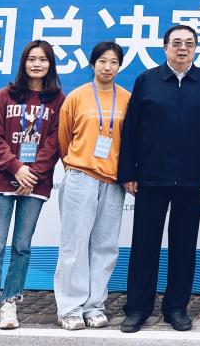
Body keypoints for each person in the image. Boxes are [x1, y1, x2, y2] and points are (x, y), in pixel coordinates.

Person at [117, 24, 200, 334]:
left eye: (189, 43)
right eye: (176, 43)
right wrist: (129, 172)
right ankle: (138, 308)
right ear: (165, 48)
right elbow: (131, 129)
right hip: (151, 176)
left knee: (184, 246)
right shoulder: (147, 80)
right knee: (144, 245)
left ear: (196, 48)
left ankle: (176, 307)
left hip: (191, 178)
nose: (182, 48)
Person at [0, 40, 64, 333]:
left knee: (22, 247)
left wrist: (32, 174)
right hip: (1, 179)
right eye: (31, 59)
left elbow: (54, 143)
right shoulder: (4, 96)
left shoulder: (57, 100)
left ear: (50, 65)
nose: (37, 64)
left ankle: (10, 302)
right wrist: (17, 168)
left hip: (34, 183)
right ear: (23, 63)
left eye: (43, 59)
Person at [54, 41, 131, 331]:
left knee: (105, 246)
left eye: (114, 62)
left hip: (112, 180)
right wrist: (76, 164)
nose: (107, 67)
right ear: (92, 64)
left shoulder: (127, 98)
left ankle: (94, 305)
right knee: (74, 244)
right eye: (102, 61)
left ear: (119, 66)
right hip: (81, 176)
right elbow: (64, 139)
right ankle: (70, 308)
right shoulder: (77, 97)